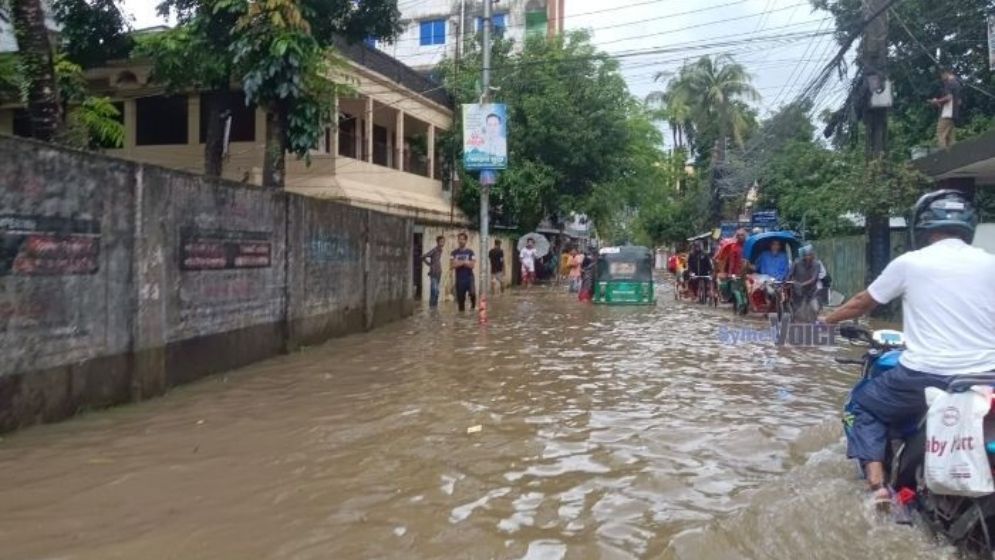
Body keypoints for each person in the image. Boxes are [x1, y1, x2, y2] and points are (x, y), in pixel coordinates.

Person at [826, 190, 995, 507]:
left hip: (924, 376)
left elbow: (864, 302)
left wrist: (826, 321)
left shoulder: (910, 263)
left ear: (924, 227)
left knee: (863, 405)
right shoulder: (991, 263)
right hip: (987, 378)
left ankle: (877, 488)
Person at [930, 69, 962, 149]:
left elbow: (948, 98)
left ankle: (944, 158)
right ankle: (955, 158)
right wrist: (940, 103)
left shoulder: (949, 83)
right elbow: (959, 102)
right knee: (950, 139)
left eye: (941, 75)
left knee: (941, 135)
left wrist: (937, 101)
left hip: (946, 114)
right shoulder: (958, 84)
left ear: (946, 73)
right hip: (954, 115)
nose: (941, 78)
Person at [788, 244, 820, 321]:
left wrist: (802, 284)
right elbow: (790, 275)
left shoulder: (816, 264)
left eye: (811, 254)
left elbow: (813, 279)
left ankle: (813, 324)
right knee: (798, 312)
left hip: (811, 292)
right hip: (798, 291)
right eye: (807, 255)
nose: (809, 256)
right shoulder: (796, 263)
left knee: (815, 308)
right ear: (803, 256)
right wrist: (792, 283)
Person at [715, 228, 747, 301]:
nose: (740, 237)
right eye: (738, 235)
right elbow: (732, 262)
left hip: (747, 272)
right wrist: (730, 273)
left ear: (745, 236)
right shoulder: (734, 247)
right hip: (737, 272)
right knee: (736, 290)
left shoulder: (748, 245)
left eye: (742, 235)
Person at [451, 232, 476, 312]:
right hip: (459, 279)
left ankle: (473, 308)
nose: (461, 241)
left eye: (463, 239)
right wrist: (465, 262)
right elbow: (452, 266)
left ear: (466, 241)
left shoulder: (471, 252)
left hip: (469, 277)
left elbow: (472, 265)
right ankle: (461, 320)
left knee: (472, 293)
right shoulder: (454, 253)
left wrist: (459, 262)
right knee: (461, 302)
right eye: (459, 239)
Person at [421, 235, 445, 307]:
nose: (442, 243)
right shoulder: (434, 250)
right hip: (433, 272)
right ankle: (431, 307)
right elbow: (423, 256)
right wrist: (430, 265)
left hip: (438, 272)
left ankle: (435, 308)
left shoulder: (440, 250)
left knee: (437, 291)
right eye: (441, 242)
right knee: (434, 290)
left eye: (443, 242)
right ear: (437, 242)